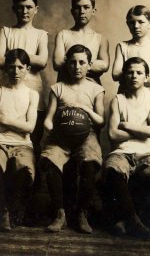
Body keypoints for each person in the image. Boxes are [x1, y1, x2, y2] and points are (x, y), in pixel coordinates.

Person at [40, 44, 105, 234]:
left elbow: (101, 121)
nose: (77, 67)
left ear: (89, 65)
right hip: (60, 136)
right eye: (73, 62)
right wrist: (52, 130)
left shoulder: (96, 89)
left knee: (90, 162)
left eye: (82, 62)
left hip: (87, 135)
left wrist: (85, 109)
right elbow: (48, 120)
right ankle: (60, 214)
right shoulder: (58, 88)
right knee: (50, 160)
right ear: (67, 64)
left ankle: (82, 213)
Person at [103, 57, 150, 237]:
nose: (134, 76)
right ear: (124, 75)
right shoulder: (117, 99)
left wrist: (126, 125)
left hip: (148, 152)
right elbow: (113, 135)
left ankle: (124, 219)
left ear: (146, 77)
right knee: (112, 171)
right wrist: (142, 130)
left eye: (139, 73)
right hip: (121, 151)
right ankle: (133, 219)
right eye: (130, 72)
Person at [0, 48, 39, 231]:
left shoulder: (32, 94)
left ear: (27, 69)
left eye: (20, 67)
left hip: (23, 145)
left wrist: (4, 119)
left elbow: (30, 127)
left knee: (25, 169)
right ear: (5, 69)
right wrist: (17, 124)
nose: (16, 72)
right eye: (11, 67)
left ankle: (5, 211)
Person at [0, 0, 48, 157]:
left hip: (34, 93)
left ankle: (34, 180)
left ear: (36, 9)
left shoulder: (41, 34)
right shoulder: (6, 31)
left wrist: (15, 54)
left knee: (34, 140)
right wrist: (28, 57)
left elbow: (42, 61)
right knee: (7, 138)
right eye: (20, 7)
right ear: (14, 9)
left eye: (29, 7)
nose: (25, 11)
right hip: (10, 93)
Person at [53, 0, 110, 85]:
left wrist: (71, 64)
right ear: (72, 12)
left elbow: (104, 65)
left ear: (93, 11)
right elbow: (58, 63)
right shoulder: (63, 35)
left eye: (86, 7)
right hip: (66, 88)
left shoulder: (101, 38)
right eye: (77, 8)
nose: (82, 11)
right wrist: (88, 65)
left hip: (92, 89)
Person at [112, 5, 150, 92]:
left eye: (141, 22)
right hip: (125, 96)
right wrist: (146, 77)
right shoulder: (122, 46)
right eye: (132, 22)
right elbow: (115, 75)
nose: (136, 26)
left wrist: (131, 77)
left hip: (148, 98)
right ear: (127, 24)